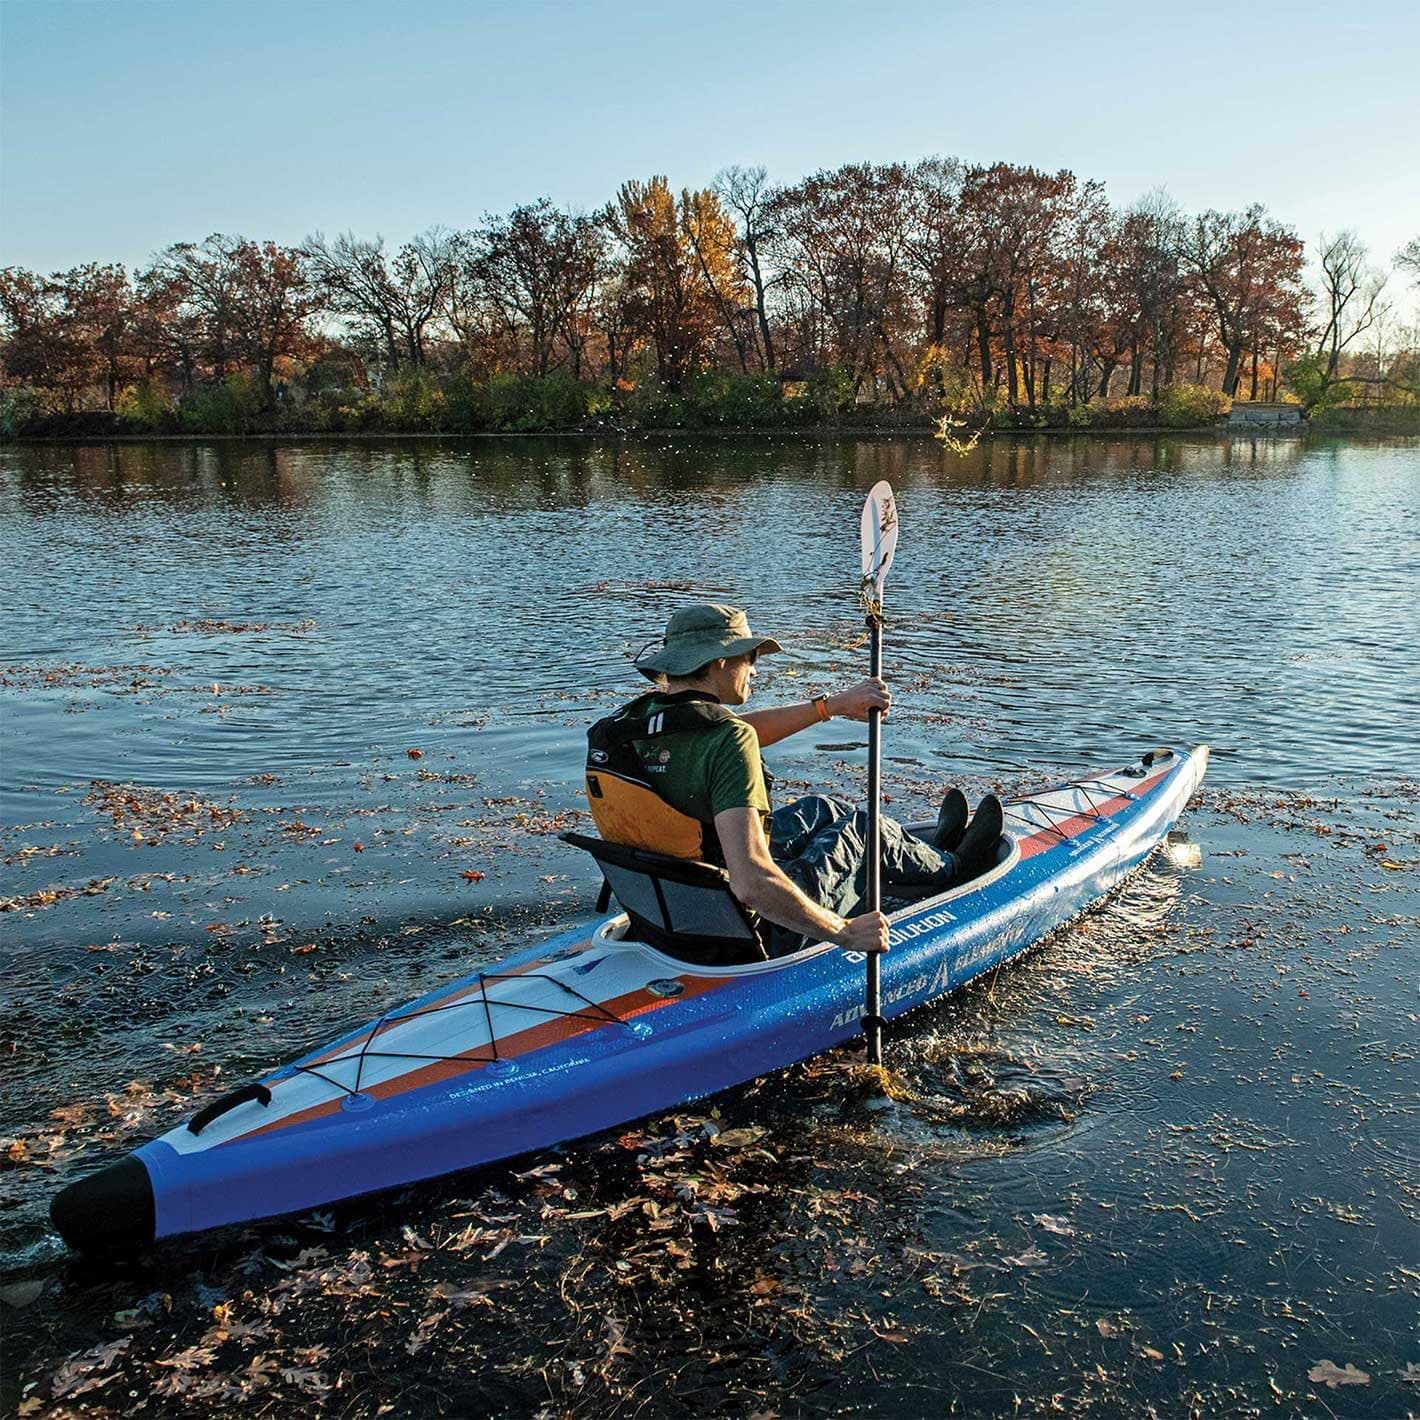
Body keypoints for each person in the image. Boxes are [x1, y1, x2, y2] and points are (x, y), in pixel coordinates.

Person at [586, 604, 1003, 959]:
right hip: (747, 931)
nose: (754, 668)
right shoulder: (726, 742)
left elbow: (736, 732)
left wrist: (832, 706)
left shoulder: (628, 726)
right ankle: (954, 866)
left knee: (823, 809)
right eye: (749, 657)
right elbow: (750, 884)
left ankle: (926, 852)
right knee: (863, 827)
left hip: (671, 908)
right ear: (720, 662)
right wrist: (843, 931)